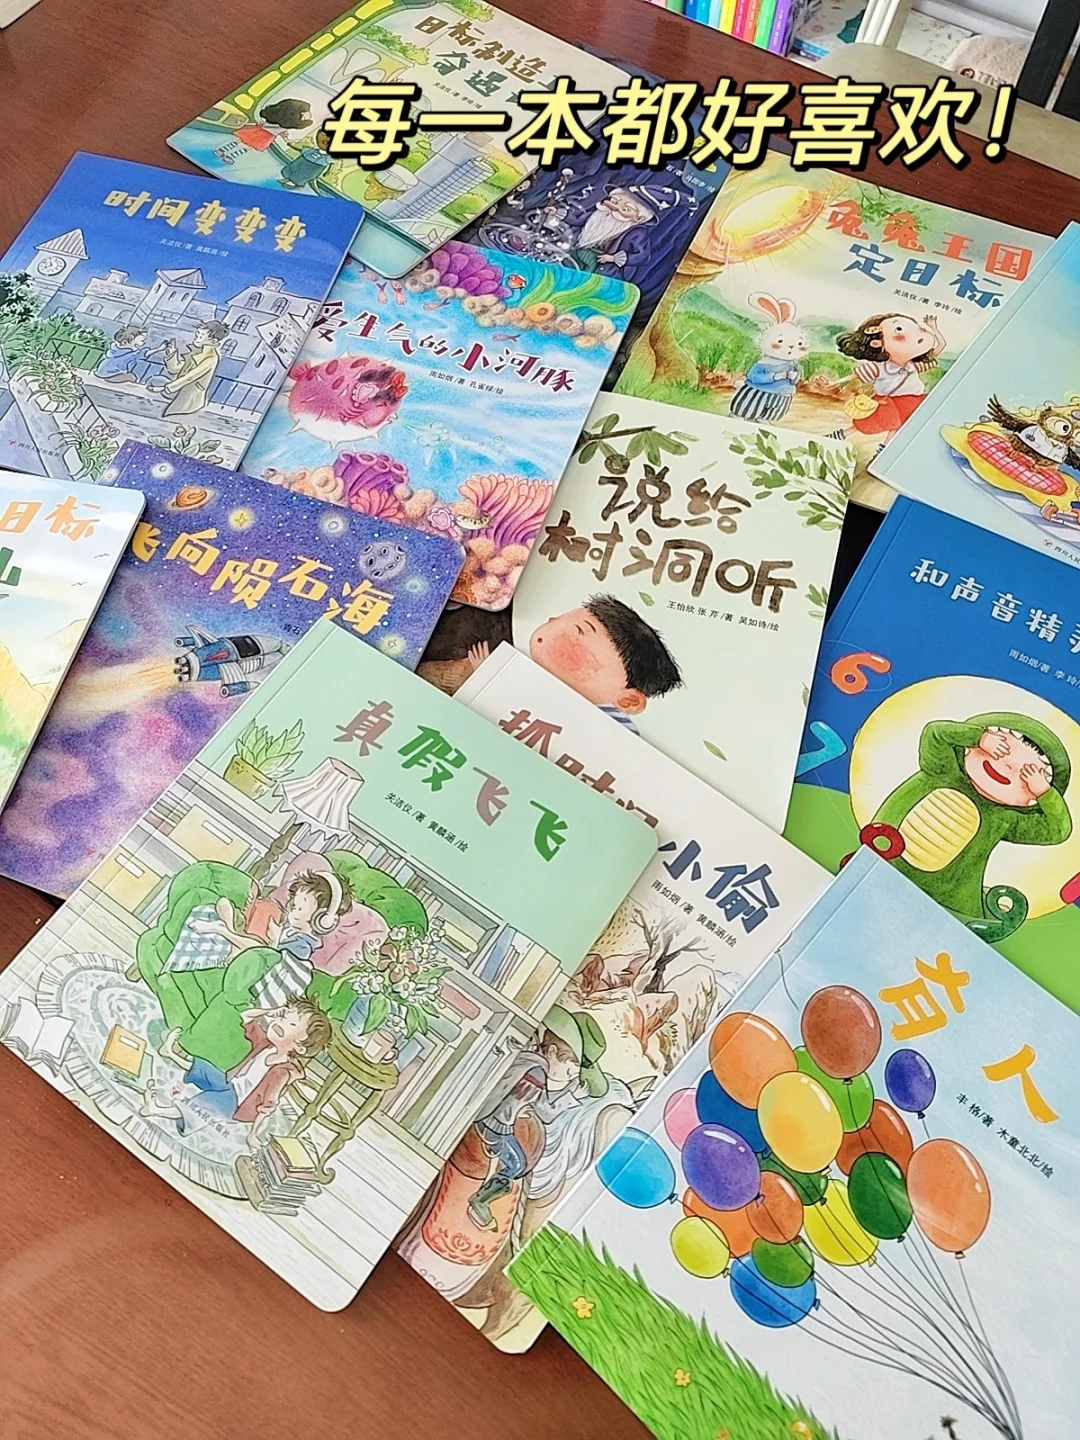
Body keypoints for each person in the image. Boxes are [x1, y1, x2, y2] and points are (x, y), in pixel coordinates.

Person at [872, 711, 1072, 943]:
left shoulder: (1005, 819)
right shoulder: (944, 769)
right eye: (1001, 749)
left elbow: (1057, 831)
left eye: (1027, 773)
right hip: (880, 859)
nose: (1008, 766)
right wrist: (979, 737)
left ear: (1030, 801)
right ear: (967, 749)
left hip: (945, 899)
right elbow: (935, 733)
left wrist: (1045, 793)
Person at [145, 998, 331, 1145]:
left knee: (203, 1105)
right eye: (283, 1017)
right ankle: (170, 1053)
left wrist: (252, 1135)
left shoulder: (282, 1072)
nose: (280, 1023)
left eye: (292, 1025)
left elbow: (267, 1106)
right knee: (204, 1068)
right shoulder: (266, 1045)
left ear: (300, 1047)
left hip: (237, 1104)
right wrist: (270, 1011)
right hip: (230, 1083)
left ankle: (155, 1110)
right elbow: (246, 1017)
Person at [527, 593, 682, 732]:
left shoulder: (613, 734)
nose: (551, 620)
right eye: (561, 617)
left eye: (579, 631)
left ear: (628, 700)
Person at [834, 312, 946, 442]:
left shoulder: (913, 365)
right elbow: (857, 375)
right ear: (877, 344)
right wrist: (833, 383)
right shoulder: (883, 367)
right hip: (888, 401)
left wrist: (934, 328)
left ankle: (885, 446)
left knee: (898, 425)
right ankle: (842, 434)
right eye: (899, 331)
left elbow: (941, 346)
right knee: (868, 420)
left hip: (912, 400)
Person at [155, 320, 229, 417]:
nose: (196, 338)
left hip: (191, 397)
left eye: (201, 336)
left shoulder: (211, 357)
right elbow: (176, 369)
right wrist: (172, 355)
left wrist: (166, 388)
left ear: (213, 340)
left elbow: (190, 376)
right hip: (179, 391)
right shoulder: (197, 351)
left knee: (173, 415)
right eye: (197, 334)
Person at [93, 325, 164, 384]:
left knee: (130, 376)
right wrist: (159, 349)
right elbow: (143, 354)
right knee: (132, 377)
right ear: (124, 342)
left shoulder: (114, 349)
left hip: (100, 372)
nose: (143, 343)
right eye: (141, 341)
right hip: (110, 375)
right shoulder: (130, 354)